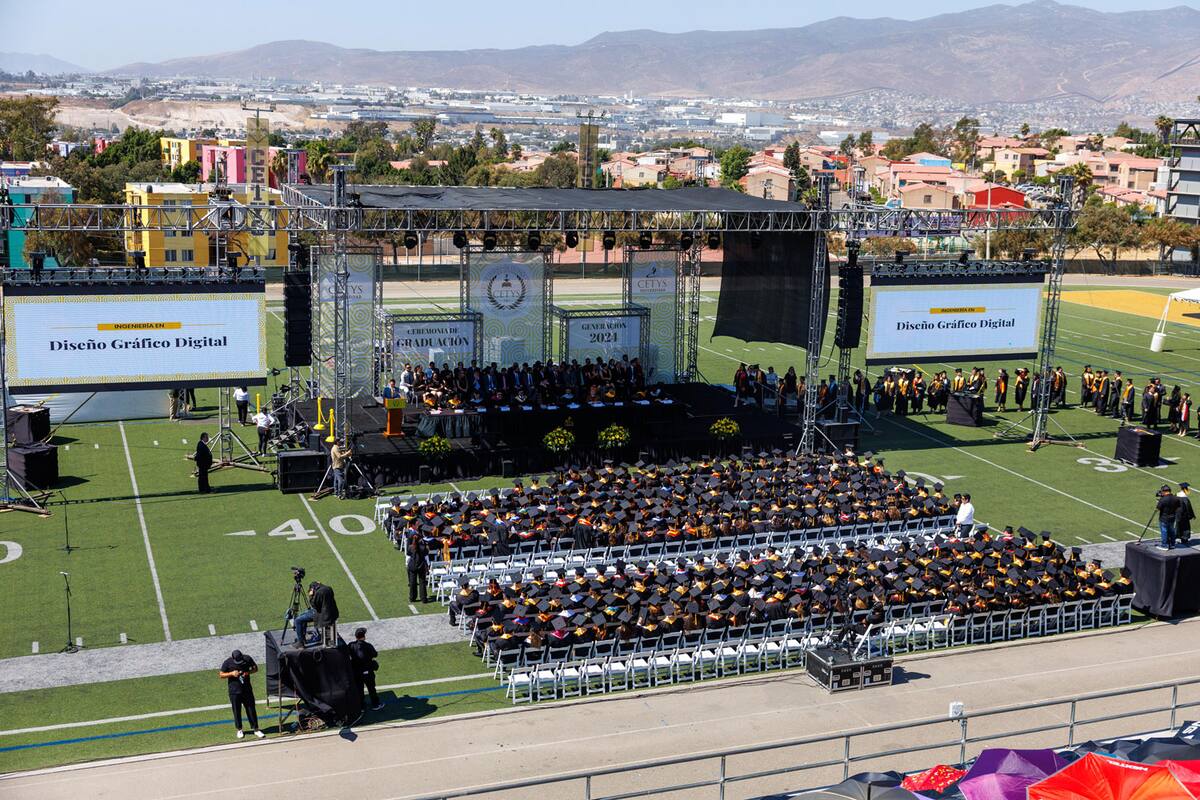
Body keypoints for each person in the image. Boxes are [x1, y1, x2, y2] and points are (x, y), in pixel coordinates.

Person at [218, 649, 265, 739]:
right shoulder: (228, 662)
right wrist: (232, 673)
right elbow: (221, 674)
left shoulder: (247, 659)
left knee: (251, 709)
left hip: (247, 690)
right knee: (237, 711)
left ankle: (256, 728)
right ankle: (239, 729)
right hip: (234, 691)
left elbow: (255, 669)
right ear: (233, 658)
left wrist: (247, 673)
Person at [348, 627, 384, 711]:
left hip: (356, 672)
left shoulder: (351, 645)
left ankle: (361, 707)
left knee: (359, 689)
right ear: (364, 636)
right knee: (371, 688)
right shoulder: (368, 646)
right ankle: (375, 704)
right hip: (368, 672)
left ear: (356, 636)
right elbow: (375, 654)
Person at [294, 580, 339, 646]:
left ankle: (300, 642)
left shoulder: (318, 593)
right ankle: (302, 638)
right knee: (303, 615)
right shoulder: (329, 588)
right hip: (332, 613)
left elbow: (314, 605)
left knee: (298, 620)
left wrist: (311, 596)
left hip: (322, 615)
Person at [406, 532, 430, 603]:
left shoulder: (410, 547)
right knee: (422, 582)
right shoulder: (423, 547)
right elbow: (426, 557)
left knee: (413, 582)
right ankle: (423, 598)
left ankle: (412, 598)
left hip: (412, 566)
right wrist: (428, 566)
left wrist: (407, 564)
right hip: (421, 566)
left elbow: (408, 557)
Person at [1156, 484, 1180, 550]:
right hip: (1172, 517)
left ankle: (1164, 545)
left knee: (1164, 531)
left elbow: (1157, 509)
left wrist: (1158, 502)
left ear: (1164, 491)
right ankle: (1172, 544)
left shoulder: (1163, 499)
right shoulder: (1176, 498)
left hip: (1164, 518)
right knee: (1172, 531)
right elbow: (1178, 507)